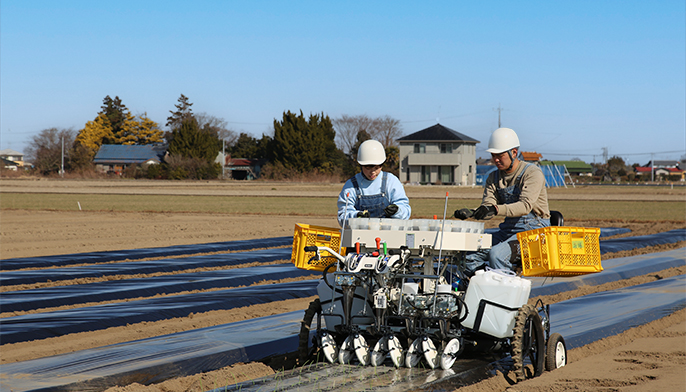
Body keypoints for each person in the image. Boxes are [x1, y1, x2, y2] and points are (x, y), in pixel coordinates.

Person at [454, 127, 550, 273]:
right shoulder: (494, 177)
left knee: (497, 255)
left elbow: (525, 206)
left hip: (534, 233)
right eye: (494, 155)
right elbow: (488, 206)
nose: (496, 160)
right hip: (508, 231)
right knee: (468, 255)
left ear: (514, 153)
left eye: (500, 155)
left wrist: (496, 209)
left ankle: (503, 292)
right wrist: (472, 213)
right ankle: (484, 285)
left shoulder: (532, 173)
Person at [337, 140, 411, 226]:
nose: (373, 172)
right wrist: (356, 216)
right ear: (361, 165)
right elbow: (343, 215)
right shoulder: (351, 186)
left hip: (388, 234)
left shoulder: (391, 181)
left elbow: (405, 210)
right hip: (360, 236)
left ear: (382, 164)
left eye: (376, 168)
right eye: (368, 168)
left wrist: (397, 211)